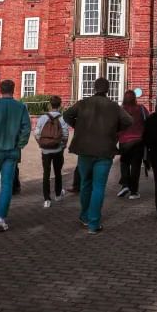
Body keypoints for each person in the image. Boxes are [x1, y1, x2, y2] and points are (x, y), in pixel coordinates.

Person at [63, 76, 132, 235]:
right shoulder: (114, 106)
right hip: (104, 150)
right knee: (98, 187)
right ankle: (94, 224)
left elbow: (66, 115)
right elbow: (128, 121)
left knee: (86, 183)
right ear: (108, 90)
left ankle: (85, 216)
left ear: (94, 88)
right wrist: (114, 129)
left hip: (84, 150)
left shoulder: (83, 103)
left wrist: (79, 127)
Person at [0, 79, 32, 232]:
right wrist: (20, 144)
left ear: (0, 90)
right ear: (13, 89)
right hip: (11, 150)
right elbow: (26, 128)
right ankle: (1, 218)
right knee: (7, 184)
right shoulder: (20, 107)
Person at [35, 95, 70, 208]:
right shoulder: (62, 118)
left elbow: (37, 134)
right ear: (59, 105)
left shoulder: (42, 118)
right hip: (58, 149)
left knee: (46, 174)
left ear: (50, 104)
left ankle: (47, 199)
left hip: (45, 150)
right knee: (58, 172)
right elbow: (65, 135)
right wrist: (63, 145)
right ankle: (58, 195)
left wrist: (41, 143)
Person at [116, 90, 148, 200]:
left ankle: (125, 185)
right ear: (135, 98)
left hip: (124, 141)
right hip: (138, 141)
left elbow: (115, 126)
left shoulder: (120, 110)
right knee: (136, 166)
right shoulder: (141, 108)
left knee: (124, 163)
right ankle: (134, 192)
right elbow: (147, 122)